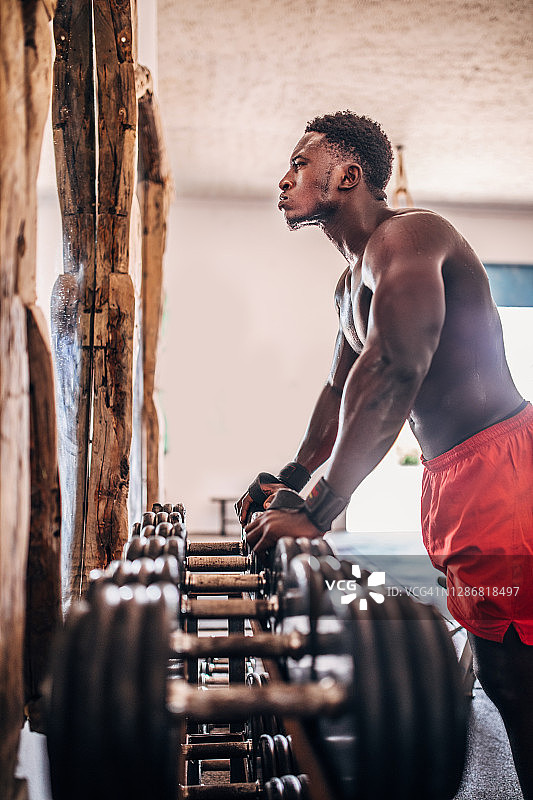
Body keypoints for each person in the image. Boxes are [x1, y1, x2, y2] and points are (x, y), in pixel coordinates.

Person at [236, 111, 533, 797]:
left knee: (514, 686)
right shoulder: (348, 287)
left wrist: (316, 511)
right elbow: (339, 391)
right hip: (453, 481)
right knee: (504, 674)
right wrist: (285, 480)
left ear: (347, 174)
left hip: (504, 472)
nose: (284, 179)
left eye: (299, 163)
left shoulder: (410, 235)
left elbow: (395, 365)